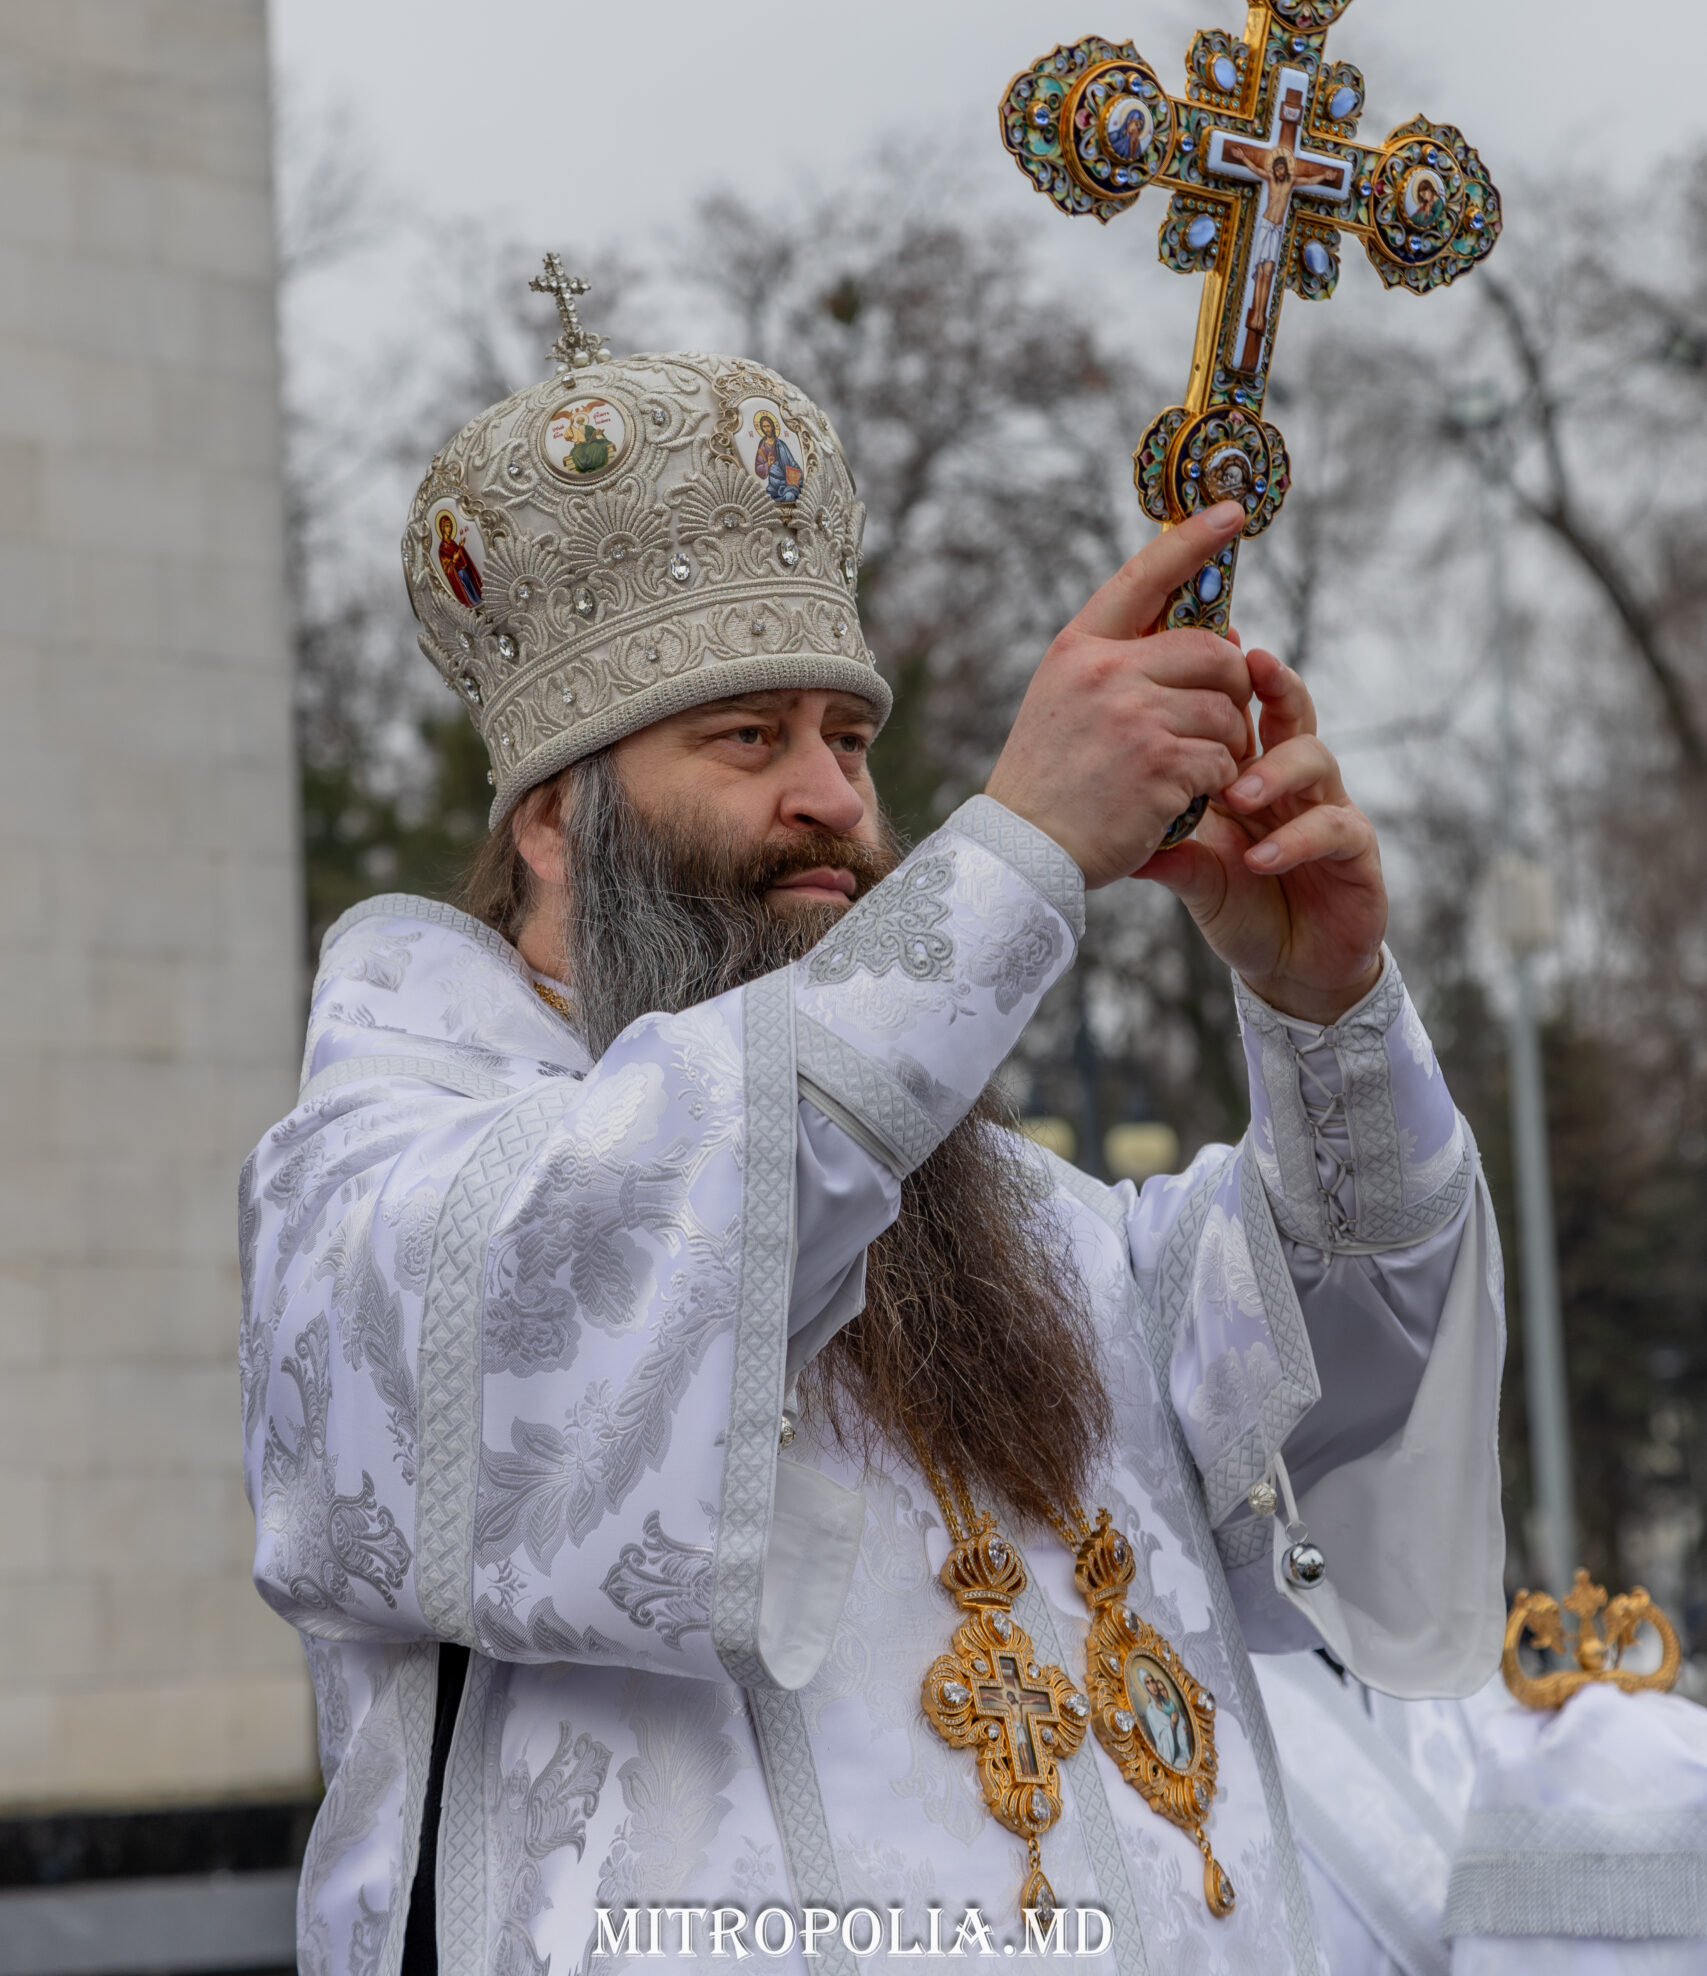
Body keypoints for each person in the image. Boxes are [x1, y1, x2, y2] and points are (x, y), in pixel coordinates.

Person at [243, 330, 1505, 1975]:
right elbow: (615, 1249)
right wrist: (1020, 855)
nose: (836, 799)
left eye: (848, 739)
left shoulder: (1029, 1225)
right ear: (554, 819)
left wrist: (1326, 1016)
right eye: (747, 739)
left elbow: (1340, 1402)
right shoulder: (378, 1194)